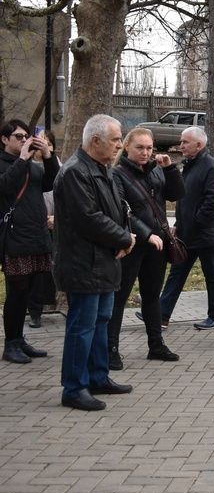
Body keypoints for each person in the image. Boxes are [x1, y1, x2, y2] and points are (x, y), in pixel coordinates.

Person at [54, 114, 135, 411]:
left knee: (100, 322)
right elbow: (89, 219)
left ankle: (98, 376)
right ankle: (74, 388)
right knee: (82, 327)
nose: (119, 145)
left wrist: (125, 236)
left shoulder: (104, 170)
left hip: (103, 261)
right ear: (95, 140)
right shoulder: (76, 172)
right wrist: (124, 239)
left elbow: (117, 211)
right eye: (115, 139)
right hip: (83, 263)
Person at [107, 129, 185, 370]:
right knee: (119, 298)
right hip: (131, 244)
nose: (145, 152)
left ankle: (156, 345)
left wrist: (170, 169)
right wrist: (146, 234)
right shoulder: (117, 174)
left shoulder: (156, 172)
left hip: (157, 244)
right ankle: (111, 349)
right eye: (140, 147)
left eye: (149, 148)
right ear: (126, 147)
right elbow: (123, 210)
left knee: (152, 296)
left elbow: (177, 193)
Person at [0, 120, 58, 364]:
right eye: (18, 136)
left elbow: (53, 183)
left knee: (30, 290)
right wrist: (23, 159)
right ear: (4, 139)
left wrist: (47, 156)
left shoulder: (34, 166)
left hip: (37, 236)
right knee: (17, 291)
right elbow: (5, 187)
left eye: (27, 136)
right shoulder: (5, 164)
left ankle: (20, 339)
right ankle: (10, 344)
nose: (24, 140)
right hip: (15, 238)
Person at [158, 127, 214, 330]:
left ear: (199, 144)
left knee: (212, 275)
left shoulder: (210, 166)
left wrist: (195, 223)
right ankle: (161, 315)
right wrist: (179, 225)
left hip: (205, 234)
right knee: (177, 273)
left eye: (185, 142)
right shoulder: (188, 165)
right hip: (188, 233)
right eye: (181, 141)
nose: (181, 145)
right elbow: (184, 200)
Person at [27, 129, 59, 328]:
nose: (41, 144)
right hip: (32, 226)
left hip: (53, 225)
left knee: (48, 271)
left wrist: (57, 218)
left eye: (45, 141)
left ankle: (42, 305)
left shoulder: (58, 168)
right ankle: (33, 310)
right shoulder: (24, 166)